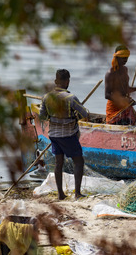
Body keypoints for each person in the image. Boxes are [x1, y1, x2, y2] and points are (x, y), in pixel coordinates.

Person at [39, 69, 89, 200]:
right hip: (68, 135)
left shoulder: (46, 97)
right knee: (79, 161)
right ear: (67, 81)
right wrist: (74, 115)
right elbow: (85, 114)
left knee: (58, 162)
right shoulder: (71, 98)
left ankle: (61, 194)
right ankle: (77, 193)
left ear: (56, 81)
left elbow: (42, 116)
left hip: (54, 135)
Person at [105, 45, 136, 125]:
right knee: (129, 121)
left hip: (125, 106)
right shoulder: (110, 73)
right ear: (117, 57)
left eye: (127, 57)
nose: (125, 60)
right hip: (114, 109)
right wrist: (123, 100)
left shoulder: (125, 70)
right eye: (123, 57)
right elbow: (107, 95)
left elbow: (125, 89)